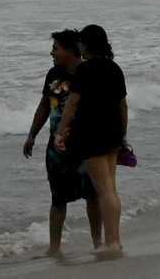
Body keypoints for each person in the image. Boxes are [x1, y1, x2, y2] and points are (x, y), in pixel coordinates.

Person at [23, 29, 102, 256]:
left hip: (85, 145)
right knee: (58, 198)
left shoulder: (87, 72)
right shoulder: (53, 74)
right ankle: (54, 247)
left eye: (56, 48)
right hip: (56, 148)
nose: (52, 53)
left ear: (70, 49)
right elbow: (44, 105)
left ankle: (98, 243)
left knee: (93, 195)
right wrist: (32, 135)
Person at [54, 24, 128, 258]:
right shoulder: (115, 69)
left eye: (81, 43)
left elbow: (72, 103)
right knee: (111, 189)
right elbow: (122, 105)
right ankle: (115, 239)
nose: (80, 47)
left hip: (92, 134)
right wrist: (123, 133)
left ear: (88, 44)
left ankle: (112, 242)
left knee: (104, 190)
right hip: (113, 133)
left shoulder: (85, 70)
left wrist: (61, 131)